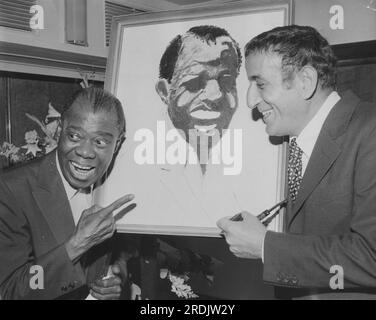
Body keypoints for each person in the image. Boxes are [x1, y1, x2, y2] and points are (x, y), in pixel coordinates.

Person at [217, 25, 376, 299]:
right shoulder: (288, 139)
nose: (250, 100)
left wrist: (267, 246)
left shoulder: (369, 130)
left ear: (305, 81)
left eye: (261, 84)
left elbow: (372, 257)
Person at [0, 87, 135, 299]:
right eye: (74, 136)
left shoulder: (116, 186)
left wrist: (117, 274)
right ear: (59, 129)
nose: (85, 152)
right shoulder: (11, 189)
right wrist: (75, 246)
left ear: (117, 144)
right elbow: (8, 291)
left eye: (100, 142)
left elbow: (122, 255)